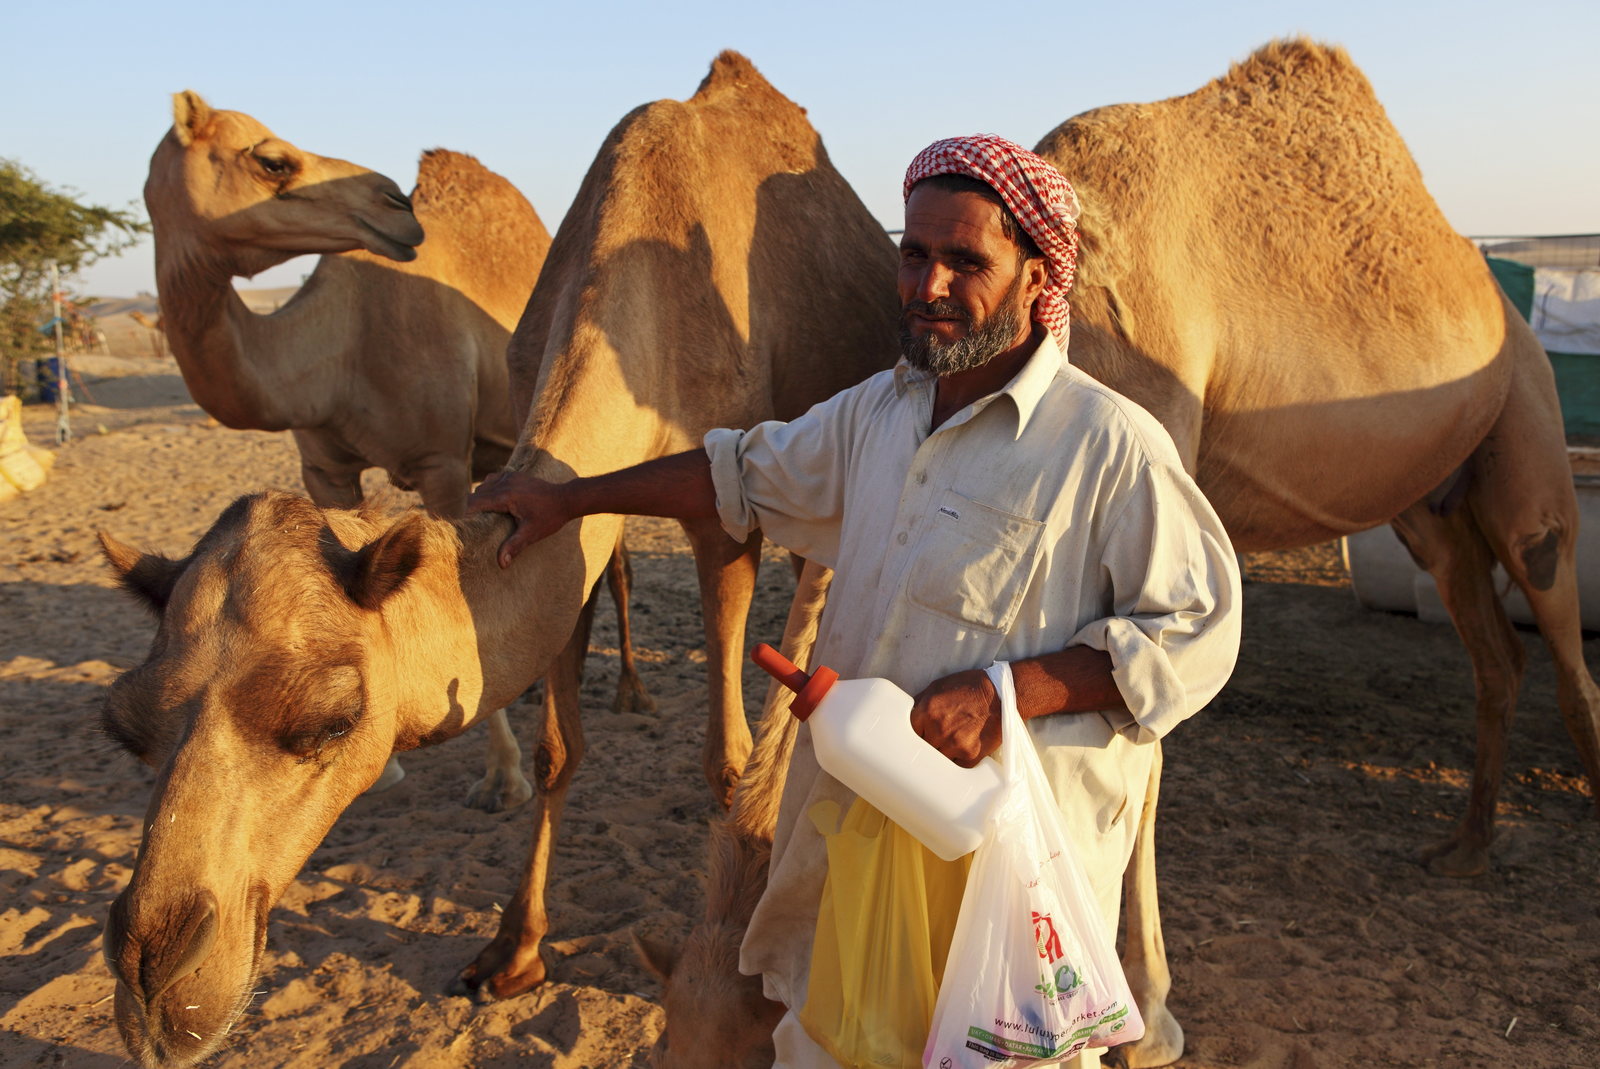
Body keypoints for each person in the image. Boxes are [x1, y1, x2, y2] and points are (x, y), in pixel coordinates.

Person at [468, 134, 1242, 1068]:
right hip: (860, 849)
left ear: (1039, 277)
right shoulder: (880, 412)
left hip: (1002, 882)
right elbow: (738, 473)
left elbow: (1198, 629)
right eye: (914, 255)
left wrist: (1013, 691)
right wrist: (570, 498)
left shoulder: (1107, 446)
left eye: (967, 261)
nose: (930, 285)